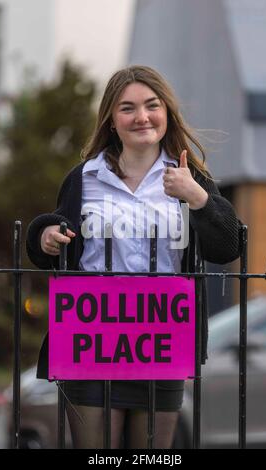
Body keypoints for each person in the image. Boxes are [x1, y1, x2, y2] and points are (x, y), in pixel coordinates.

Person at [26, 65, 241, 449]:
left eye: (151, 105)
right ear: (111, 120)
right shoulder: (84, 178)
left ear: (166, 113)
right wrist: (44, 236)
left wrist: (197, 197)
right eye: (127, 108)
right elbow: (57, 233)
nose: (141, 116)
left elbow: (228, 247)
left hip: (161, 335)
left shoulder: (190, 178)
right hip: (90, 335)